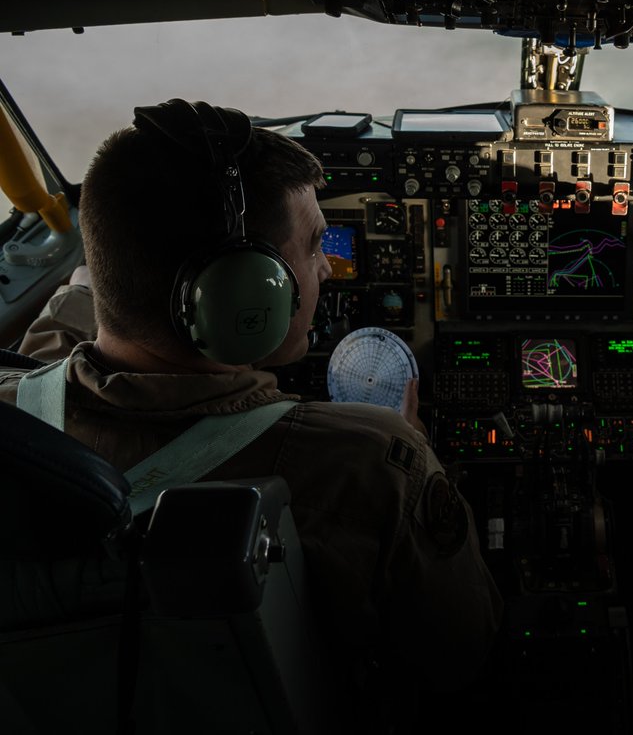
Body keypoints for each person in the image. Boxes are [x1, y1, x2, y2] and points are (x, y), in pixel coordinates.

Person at [0, 101, 502, 725]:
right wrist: (419, 450)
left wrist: (97, 287)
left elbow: (62, 327)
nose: (326, 268)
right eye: (315, 245)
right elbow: (460, 655)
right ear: (244, 294)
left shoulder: (14, 410)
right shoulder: (373, 464)